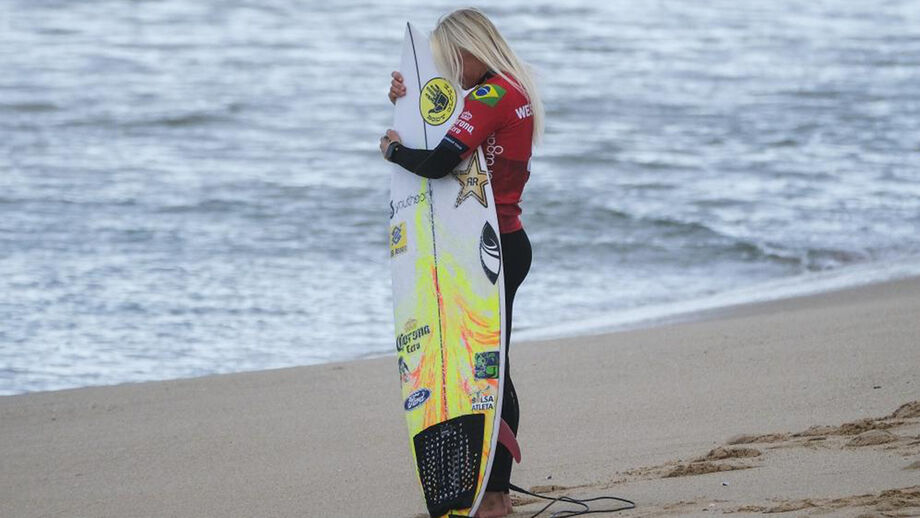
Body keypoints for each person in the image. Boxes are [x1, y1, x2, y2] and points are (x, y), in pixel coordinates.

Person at [380, 8, 543, 518]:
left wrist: (392, 150)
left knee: (491, 368)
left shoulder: (492, 96)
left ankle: (495, 497)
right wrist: (407, 103)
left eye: (451, 61)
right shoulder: (507, 90)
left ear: (470, 50)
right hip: (495, 245)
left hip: (489, 251)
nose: (450, 72)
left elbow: (436, 162)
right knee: (490, 365)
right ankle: (493, 493)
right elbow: (438, 125)